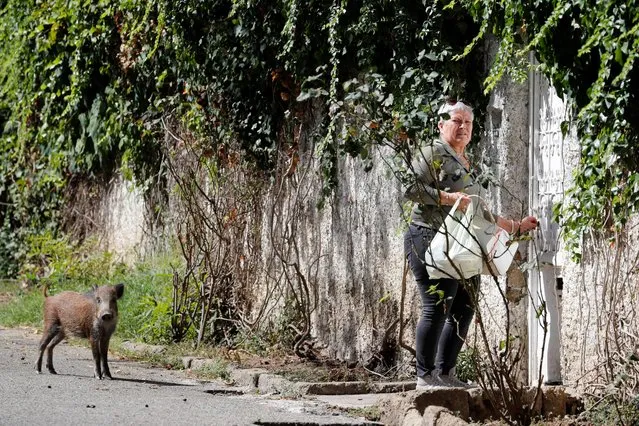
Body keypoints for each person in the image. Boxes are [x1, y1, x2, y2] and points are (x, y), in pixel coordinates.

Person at [403, 99, 538, 389]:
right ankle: (424, 377)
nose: (463, 126)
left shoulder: (466, 161)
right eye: (456, 121)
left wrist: (515, 227)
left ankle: (446, 373)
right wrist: (450, 199)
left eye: (468, 122)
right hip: (429, 238)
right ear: (441, 125)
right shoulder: (433, 152)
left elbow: (478, 210)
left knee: (464, 308)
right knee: (436, 306)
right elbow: (411, 188)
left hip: (462, 245)